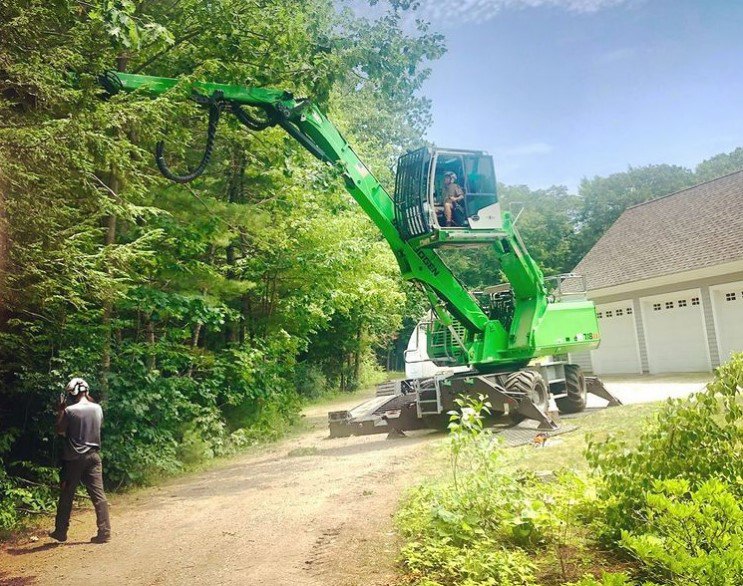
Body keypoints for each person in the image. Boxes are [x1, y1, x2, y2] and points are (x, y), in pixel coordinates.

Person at [49, 377, 111, 544]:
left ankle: (61, 532)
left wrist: (61, 410)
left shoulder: (70, 411)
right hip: (94, 457)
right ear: (86, 390)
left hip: (74, 459)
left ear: (72, 394)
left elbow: (60, 430)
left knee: (67, 495)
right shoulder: (98, 408)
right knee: (99, 495)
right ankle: (104, 531)